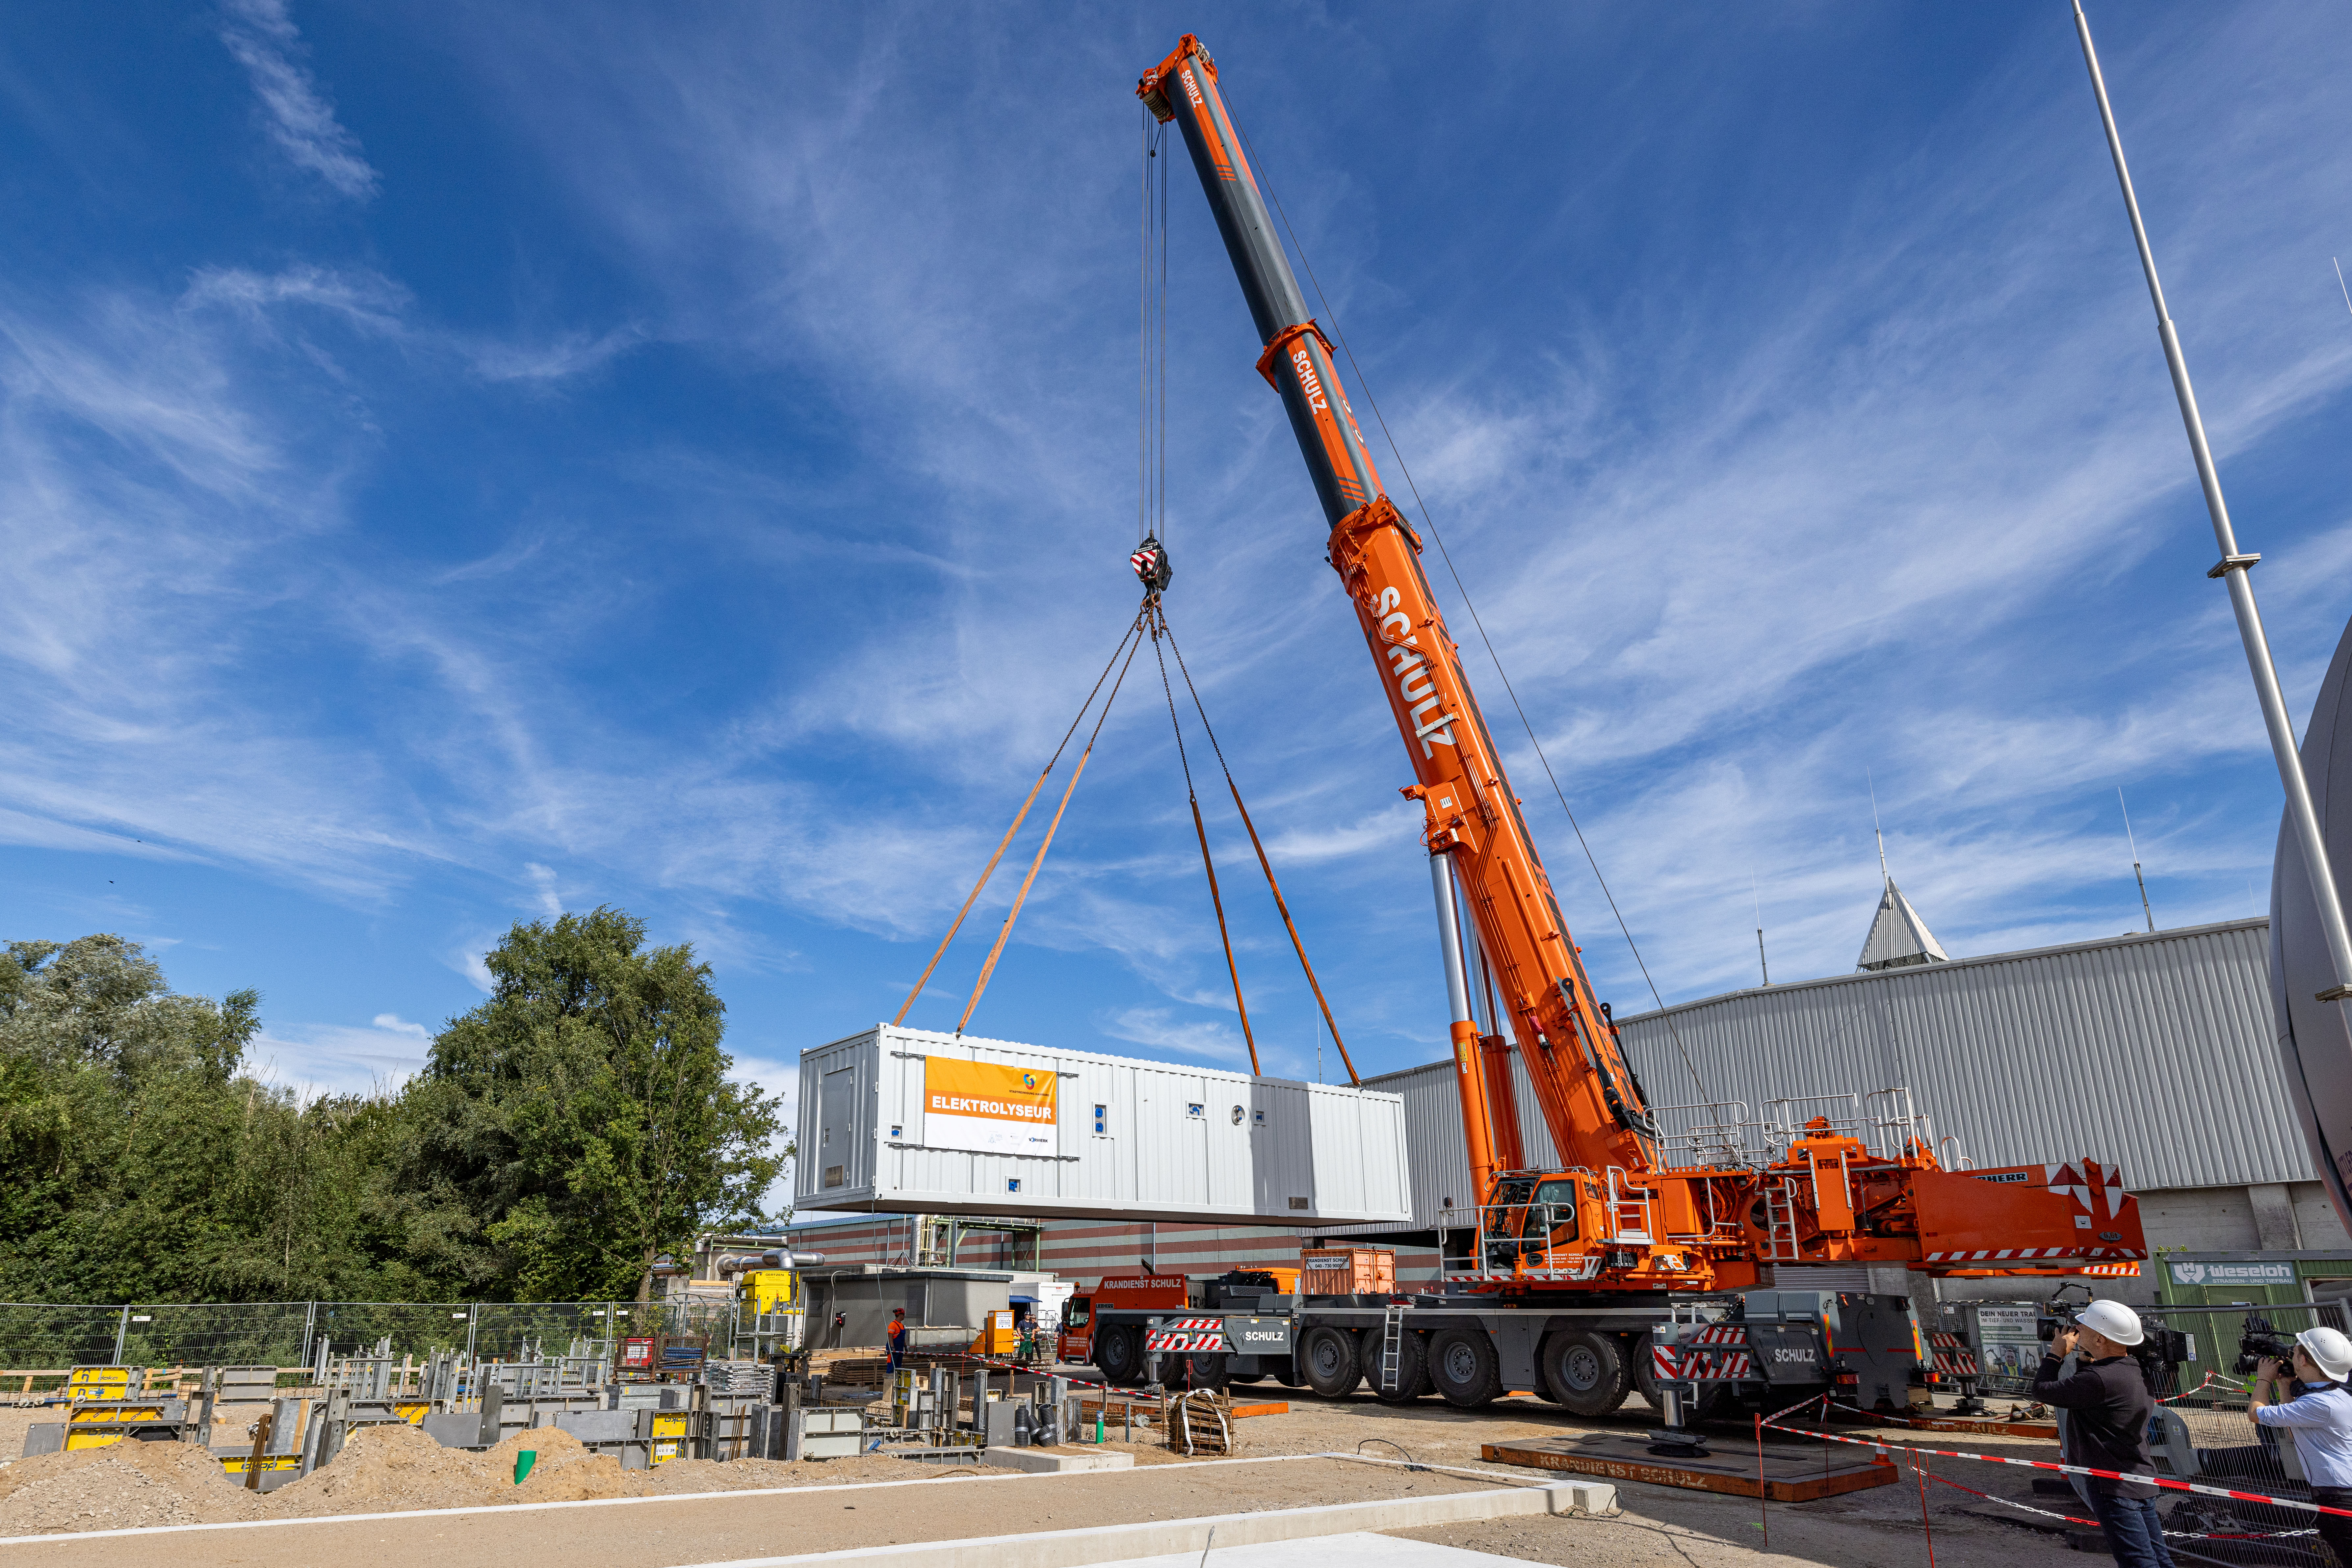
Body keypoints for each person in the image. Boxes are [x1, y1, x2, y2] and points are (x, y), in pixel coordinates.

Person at [2037, 1298, 2174, 1568]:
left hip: (2112, 1485)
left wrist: (2055, 1354)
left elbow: (2042, 1390)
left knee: (2139, 1562)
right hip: (2139, 1477)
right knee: (2159, 1559)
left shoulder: (2098, 1379)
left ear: (2100, 1339)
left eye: (2083, 1327)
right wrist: (2085, 1360)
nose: (2077, 1330)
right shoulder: (2132, 1369)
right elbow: (2093, 1394)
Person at [2249, 1326, 2352, 1564]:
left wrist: (2264, 1378)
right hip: (2338, 1491)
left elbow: (2256, 1414)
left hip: (2339, 1495)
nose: (2291, 1357)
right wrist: (2284, 1385)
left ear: (2303, 1360)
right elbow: (2293, 1430)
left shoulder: (2319, 1404)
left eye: (2294, 1353)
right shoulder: (2336, 1397)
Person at [885, 1307, 907, 1372]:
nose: (904, 1316)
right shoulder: (893, 1325)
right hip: (894, 1351)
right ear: (900, 1315)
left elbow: (903, 1338)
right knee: (891, 1366)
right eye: (904, 1315)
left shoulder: (902, 1326)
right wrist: (892, 1347)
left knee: (898, 1368)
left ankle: (896, 1378)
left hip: (900, 1350)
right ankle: (889, 1378)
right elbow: (890, 1337)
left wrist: (905, 1346)